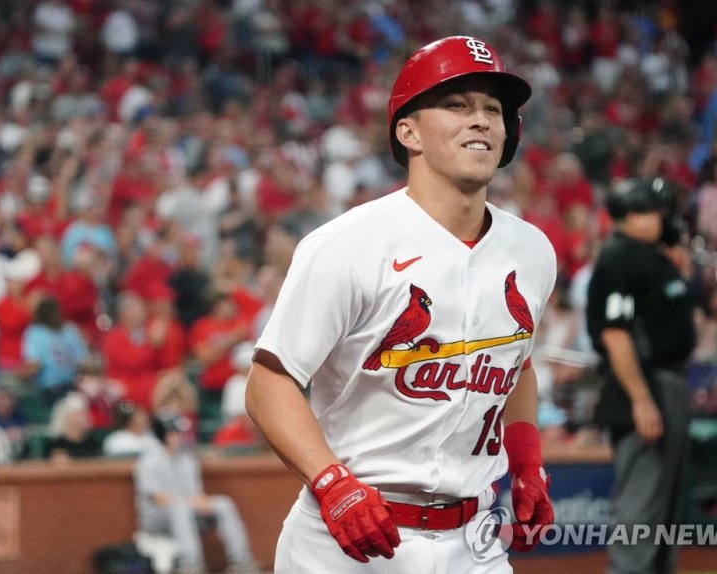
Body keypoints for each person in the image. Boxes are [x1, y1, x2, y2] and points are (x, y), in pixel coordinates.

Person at [245, 36, 556, 573]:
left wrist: (527, 460)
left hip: (474, 544)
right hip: (350, 541)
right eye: (457, 105)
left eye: (492, 108)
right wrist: (332, 482)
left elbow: (515, 361)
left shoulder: (532, 250)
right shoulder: (348, 245)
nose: (479, 119)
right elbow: (269, 382)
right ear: (407, 132)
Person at [585, 177, 696, 574]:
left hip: (667, 384)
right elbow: (616, 335)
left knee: (665, 513)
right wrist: (642, 400)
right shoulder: (620, 256)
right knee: (640, 509)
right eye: (652, 211)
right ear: (629, 216)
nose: (661, 219)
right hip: (645, 387)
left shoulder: (651, 256)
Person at [133, 410, 258, 574]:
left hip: (187, 510)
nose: (179, 436)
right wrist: (191, 502)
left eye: (179, 432)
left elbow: (196, 494)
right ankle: (191, 565)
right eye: (174, 432)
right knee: (180, 509)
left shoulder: (187, 460)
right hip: (156, 519)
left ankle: (241, 562)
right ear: (162, 434)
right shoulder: (148, 462)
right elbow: (158, 498)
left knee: (223, 504)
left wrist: (202, 502)